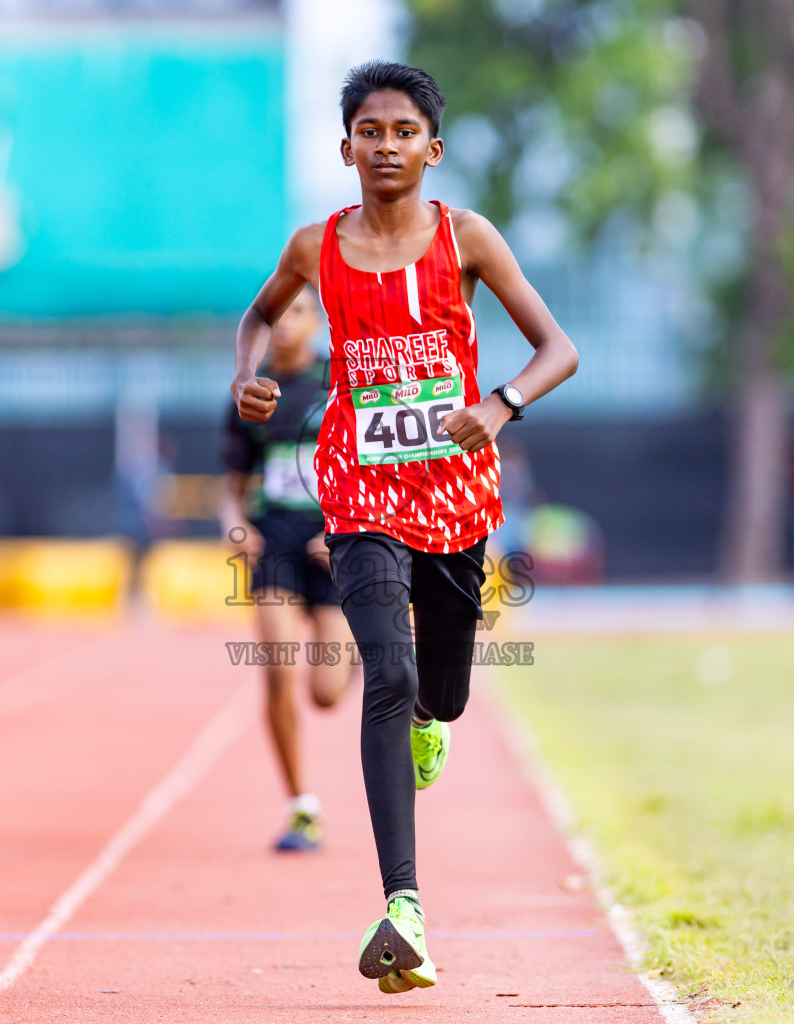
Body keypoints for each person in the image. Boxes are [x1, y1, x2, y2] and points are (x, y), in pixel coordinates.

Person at [229, 61, 578, 994]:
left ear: (433, 146)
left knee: (444, 692)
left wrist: (499, 404)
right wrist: (249, 376)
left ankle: (434, 715)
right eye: (369, 132)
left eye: (402, 131)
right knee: (385, 668)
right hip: (357, 491)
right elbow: (257, 319)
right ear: (346, 147)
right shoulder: (314, 247)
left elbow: (559, 349)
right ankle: (405, 907)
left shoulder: (468, 239)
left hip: (457, 494)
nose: (385, 146)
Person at [220, 286, 356, 853]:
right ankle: (300, 805)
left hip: (333, 542)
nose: (283, 325)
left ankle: (366, 658)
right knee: (277, 670)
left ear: (318, 322)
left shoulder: (341, 384)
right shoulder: (251, 397)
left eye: (296, 313)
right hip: (274, 538)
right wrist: (237, 528)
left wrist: (345, 527)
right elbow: (231, 487)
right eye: (275, 317)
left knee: (324, 692)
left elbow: (369, 467)